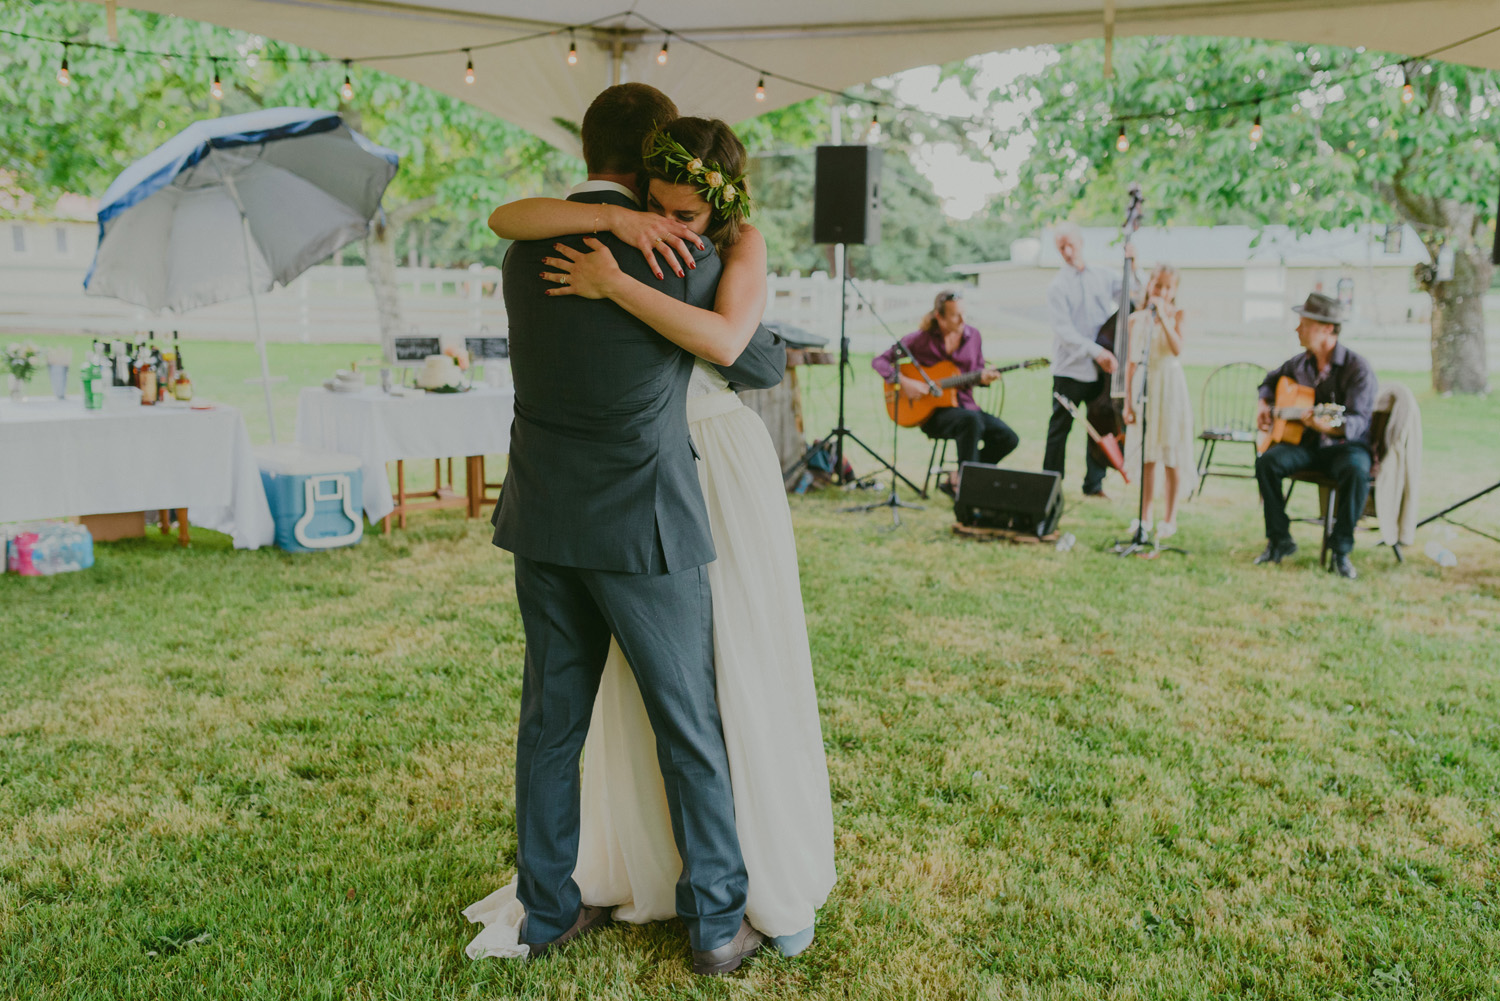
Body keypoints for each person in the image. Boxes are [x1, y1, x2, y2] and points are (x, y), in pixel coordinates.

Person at [464, 105, 835, 973]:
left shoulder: (527, 250)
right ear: (648, 162)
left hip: (544, 518)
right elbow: (756, 361)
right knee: (688, 724)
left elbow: (510, 213)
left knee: (550, 726)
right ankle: (714, 923)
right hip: (644, 524)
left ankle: (548, 908)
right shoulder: (682, 256)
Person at [1253, 292, 1377, 579]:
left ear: (1327, 329)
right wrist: (1264, 403)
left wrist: (1330, 427)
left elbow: (1358, 420)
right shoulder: (1299, 364)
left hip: (1344, 447)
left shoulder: (1357, 368)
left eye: (1304, 324)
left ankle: (1341, 550)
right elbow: (1269, 381)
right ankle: (1280, 540)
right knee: (1267, 462)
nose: (1297, 329)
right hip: (1306, 445)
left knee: (1358, 470)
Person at [871, 290, 1018, 495]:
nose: (962, 320)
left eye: (964, 314)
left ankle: (961, 478)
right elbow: (879, 361)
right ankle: (969, 493)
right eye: (955, 315)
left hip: (966, 406)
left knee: (1008, 438)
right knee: (971, 422)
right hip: (934, 414)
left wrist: (984, 379)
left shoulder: (973, 336)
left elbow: (976, 373)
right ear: (939, 316)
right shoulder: (920, 340)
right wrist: (904, 382)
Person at [1043, 222, 1124, 499]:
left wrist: (1133, 264)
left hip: (1103, 369)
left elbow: (1131, 294)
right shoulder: (1057, 286)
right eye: (1061, 247)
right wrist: (1096, 352)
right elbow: (1064, 332)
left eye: (1070, 245)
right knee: (1059, 428)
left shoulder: (1103, 275)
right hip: (1072, 368)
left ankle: (1094, 483)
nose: (1067, 251)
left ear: (1081, 242)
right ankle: (1050, 484)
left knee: (1101, 425)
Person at [1122, 265, 1197, 542]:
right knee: (1148, 454)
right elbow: (1130, 364)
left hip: (1170, 386)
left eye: (1168, 287)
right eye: (1158, 286)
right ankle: (1144, 517)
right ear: (1149, 286)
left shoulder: (1178, 315)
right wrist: (1127, 403)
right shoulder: (1135, 320)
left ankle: (1170, 518)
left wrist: (1164, 318)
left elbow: (1177, 348)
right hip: (1145, 384)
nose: (1162, 292)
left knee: (1171, 453)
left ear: (1174, 290)